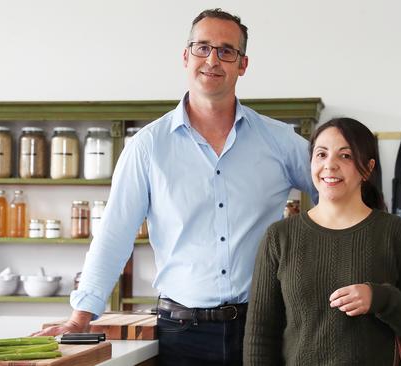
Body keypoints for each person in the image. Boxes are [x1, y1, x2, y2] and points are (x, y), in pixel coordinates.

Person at [35, 8, 316, 365]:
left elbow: (339, 199)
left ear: (242, 65)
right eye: (202, 47)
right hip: (182, 334)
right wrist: (81, 315)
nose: (212, 59)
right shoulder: (148, 146)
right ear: (186, 56)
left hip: (264, 329)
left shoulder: (281, 142)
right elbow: (114, 233)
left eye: (226, 51)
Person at [243, 118, 401, 365]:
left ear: (367, 169)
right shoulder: (279, 237)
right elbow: (260, 337)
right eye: (321, 154)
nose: (330, 165)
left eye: (345, 156)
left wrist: (380, 298)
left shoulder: (398, 233)